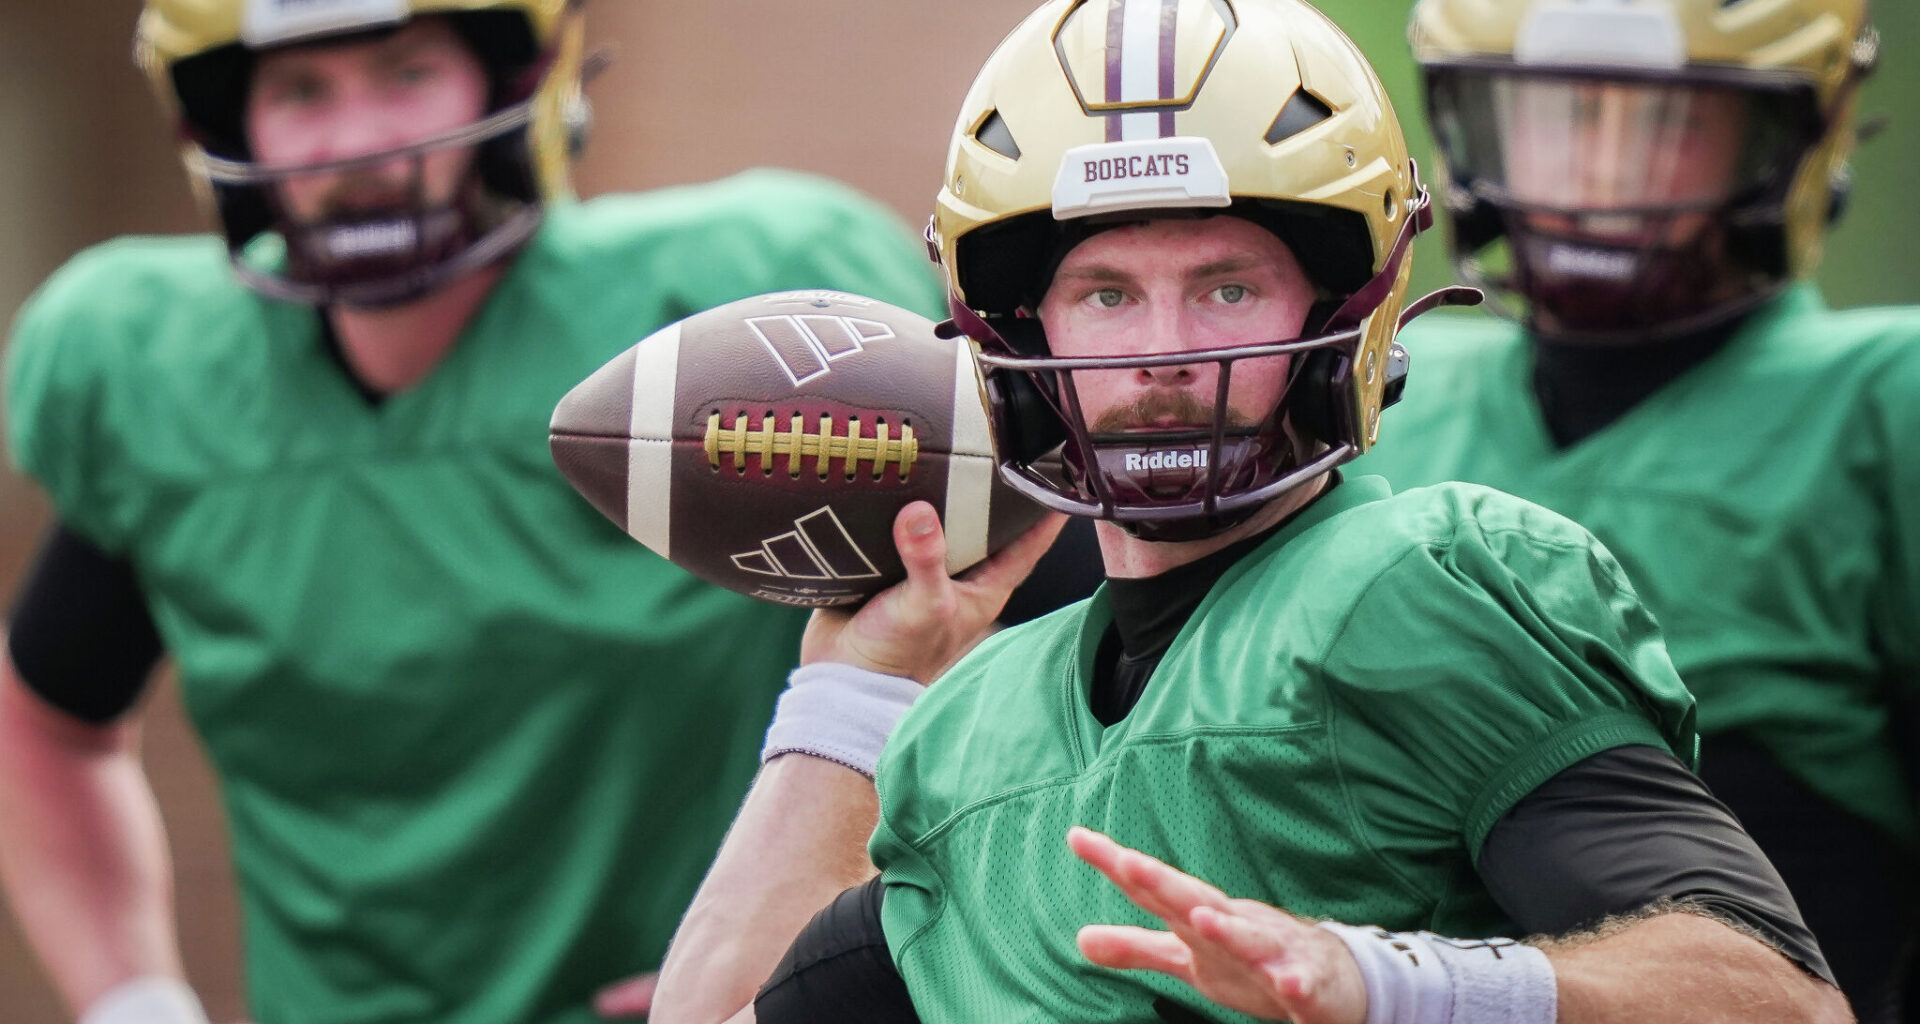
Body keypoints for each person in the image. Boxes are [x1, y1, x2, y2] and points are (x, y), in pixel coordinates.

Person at [649, 1, 1848, 1022]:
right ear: (1021, 332)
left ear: (1344, 305)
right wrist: (854, 690)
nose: (1165, 352)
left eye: (1227, 287)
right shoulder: (968, 728)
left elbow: (1779, 995)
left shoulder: (1416, 583)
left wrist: (1386, 983)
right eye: (1107, 294)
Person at [0, 1, 964, 1022]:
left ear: (510, 81)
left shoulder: (727, 308)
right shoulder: (153, 374)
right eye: (300, 91)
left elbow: (1022, 655)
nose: (360, 138)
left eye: (407, 71)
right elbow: (49, 724)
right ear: (230, 121)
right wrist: (133, 1001)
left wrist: (839, 941)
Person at [1354, 1, 1917, 1019]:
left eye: (1670, 126)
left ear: (1788, 135)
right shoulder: (1375, 388)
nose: (1603, 175)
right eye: (1561, 118)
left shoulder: (1890, 397)